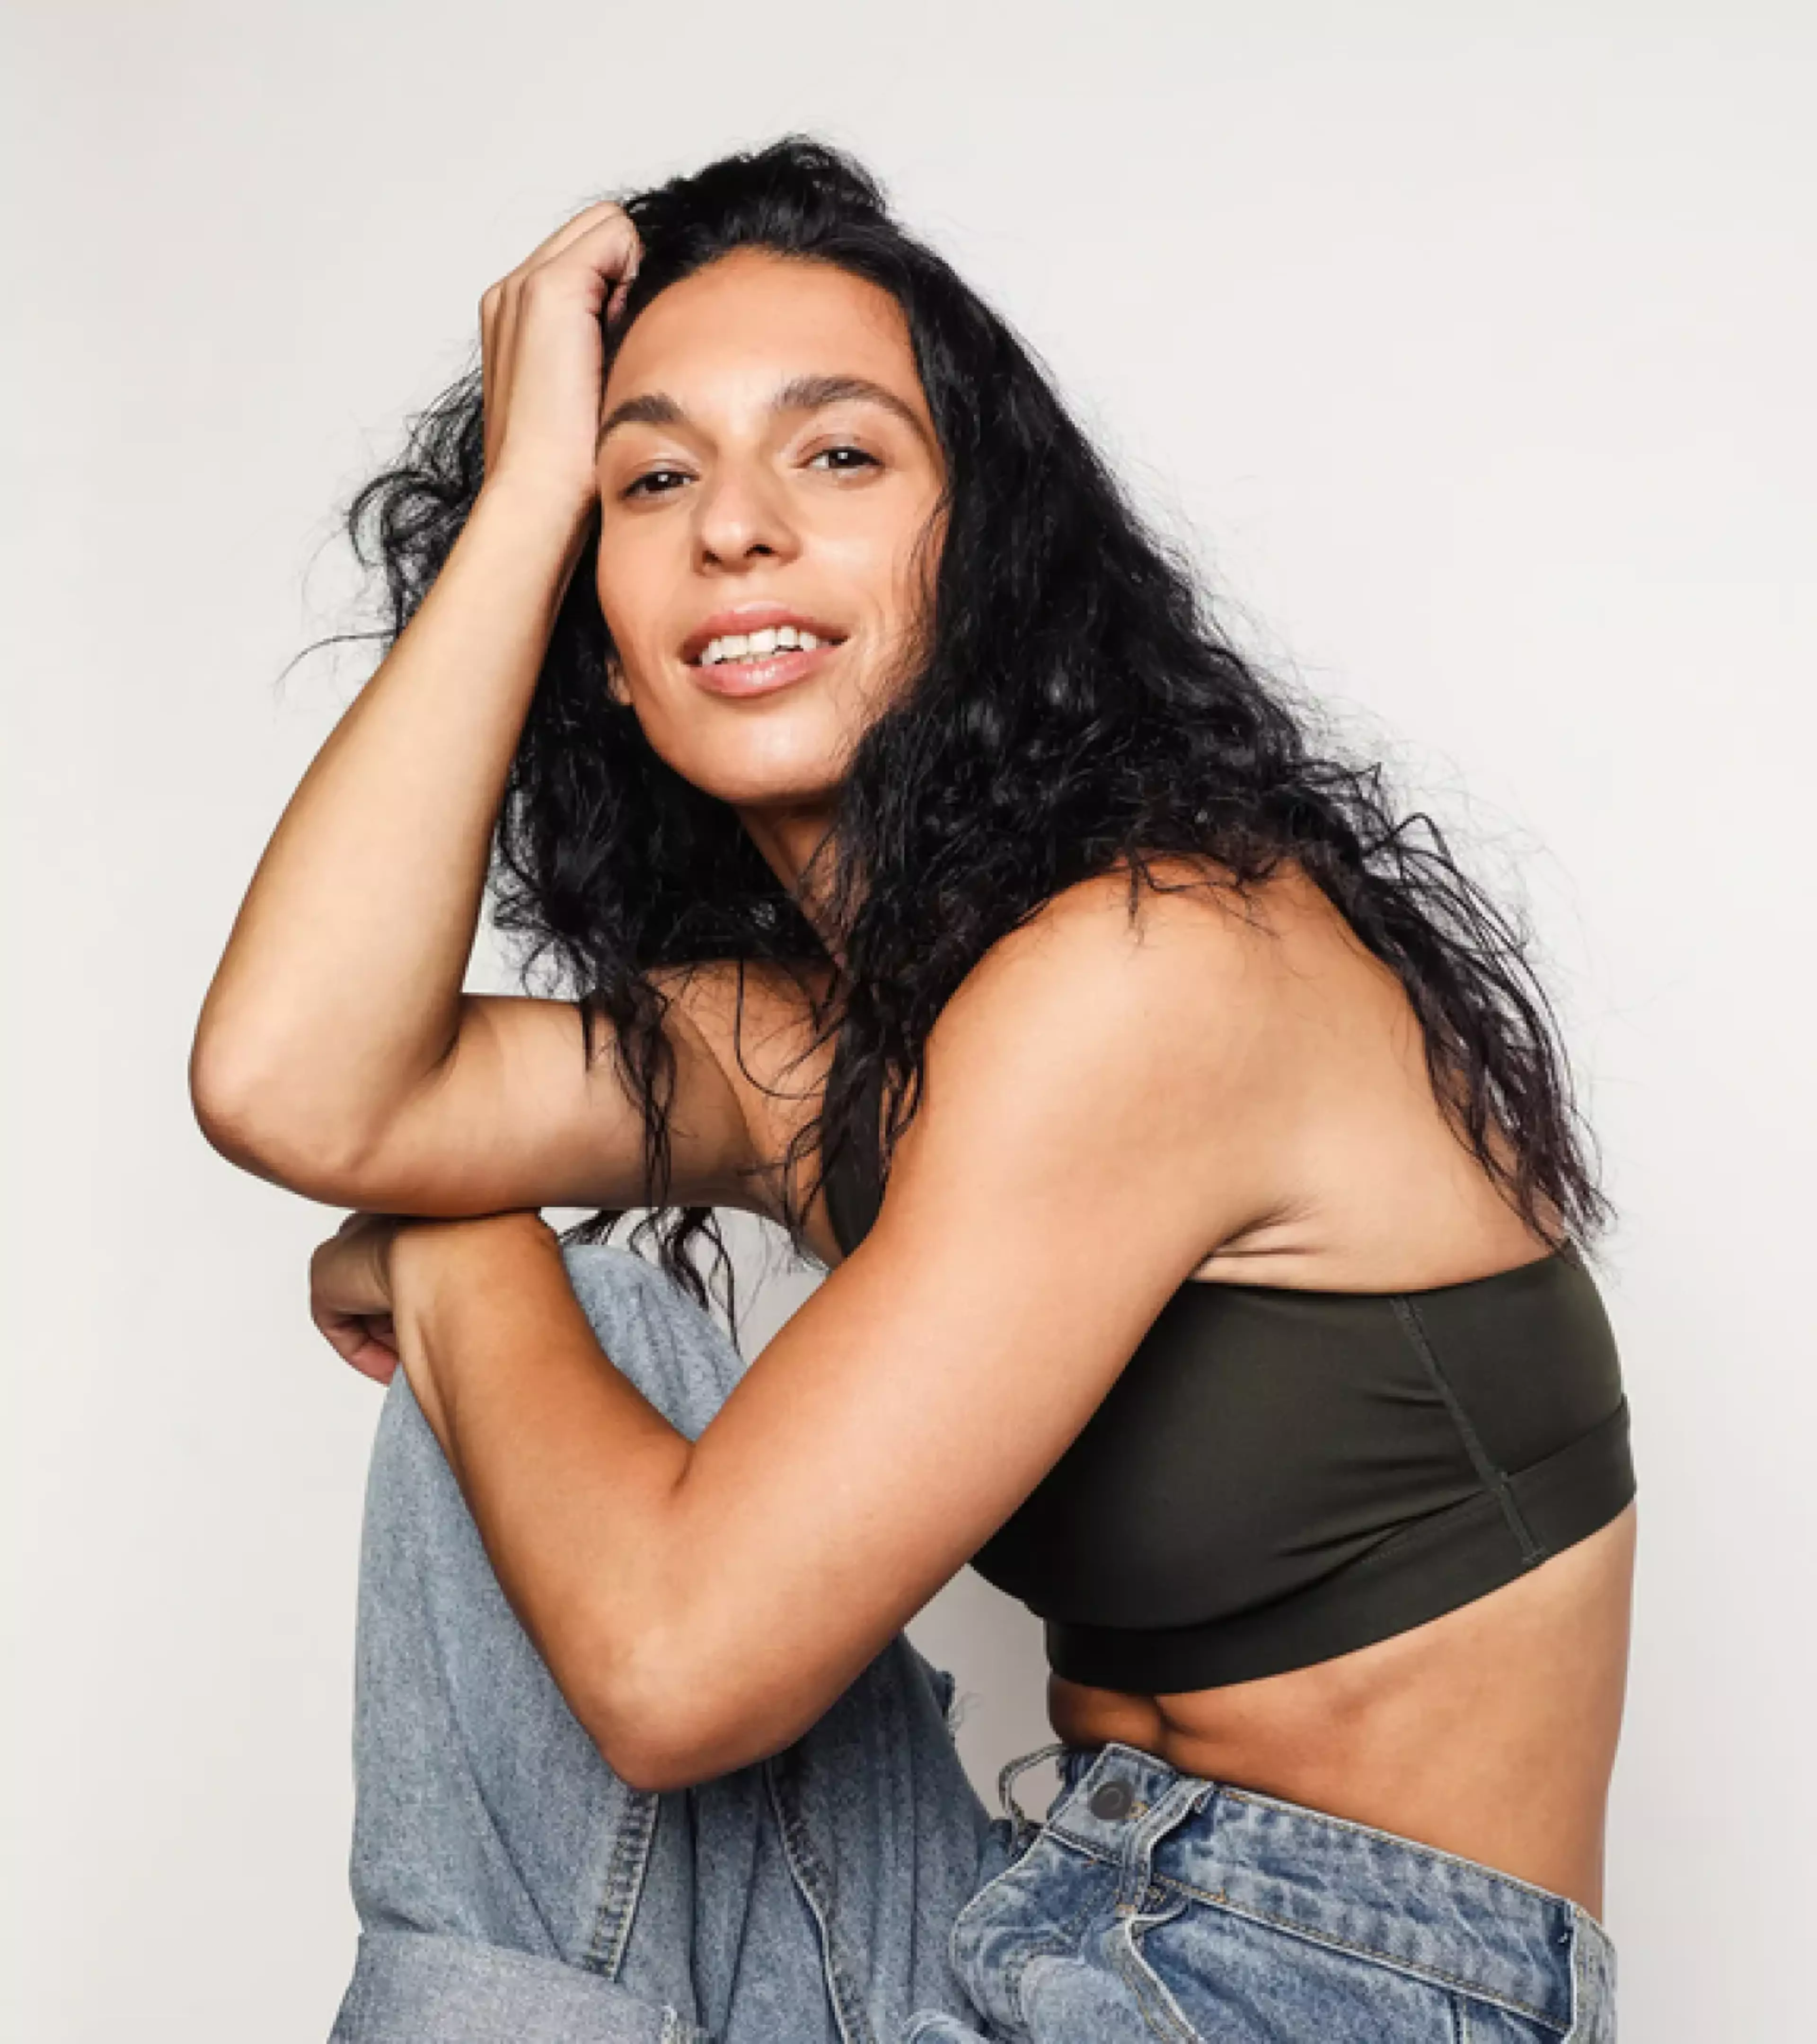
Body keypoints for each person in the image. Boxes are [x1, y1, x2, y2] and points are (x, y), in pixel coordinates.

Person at [190, 136, 1635, 2042]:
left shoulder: (1157, 968)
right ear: (603, 649)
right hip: (1041, 1910)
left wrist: (456, 1271)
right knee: (594, 1306)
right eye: (655, 479)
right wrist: (528, 495)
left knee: (534, 1297)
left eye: (839, 452)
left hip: (1341, 1991)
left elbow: (678, 1667)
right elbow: (298, 1084)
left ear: (988, 558)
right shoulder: (832, 1041)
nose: (737, 528)